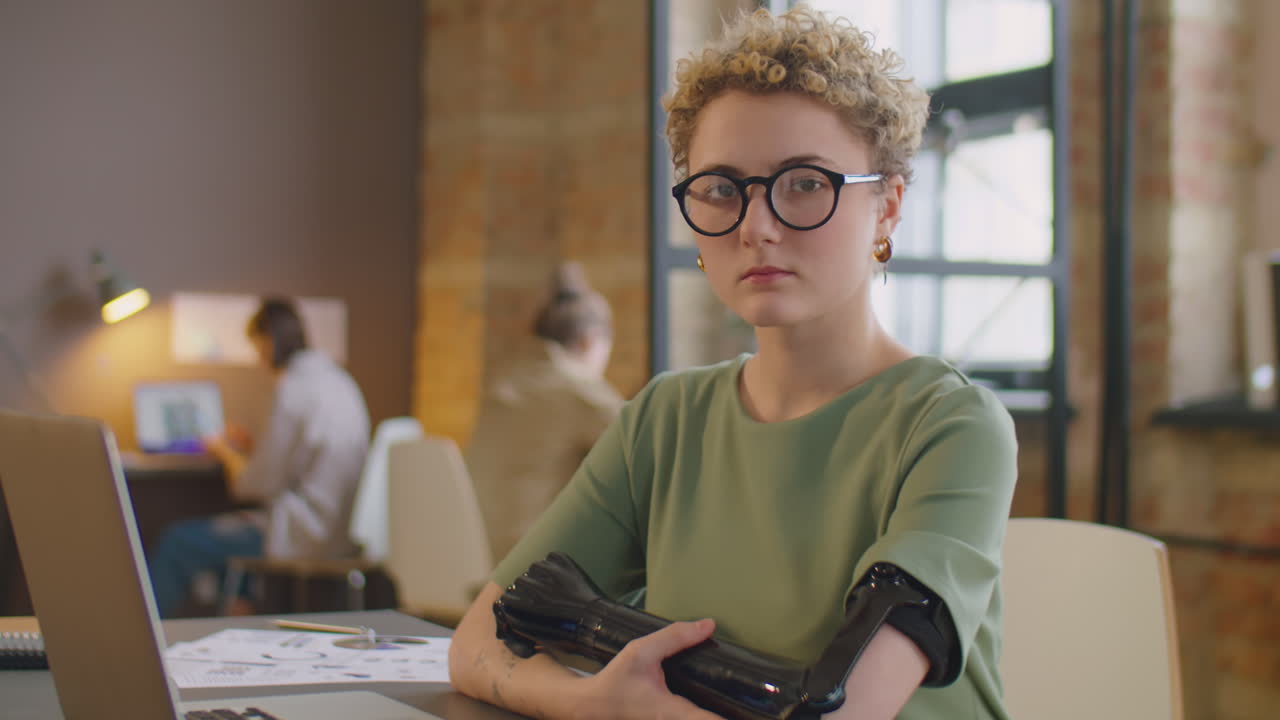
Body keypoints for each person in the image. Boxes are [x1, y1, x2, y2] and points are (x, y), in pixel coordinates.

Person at [448, 7, 1017, 720]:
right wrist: (597, 703)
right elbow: (475, 644)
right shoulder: (665, 417)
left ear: (889, 207)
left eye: (805, 182)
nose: (756, 226)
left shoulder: (950, 423)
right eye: (721, 189)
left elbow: (836, 710)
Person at [147, 298, 370, 618]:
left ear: (268, 341)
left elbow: (255, 485)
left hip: (304, 532)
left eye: (257, 348)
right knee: (231, 545)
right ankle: (238, 617)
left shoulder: (293, 388)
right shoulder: (339, 382)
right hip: (340, 530)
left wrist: (225, 451)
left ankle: (146, 640)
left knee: (178, 542)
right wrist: (252, 450)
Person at [466, 262, 624, 562]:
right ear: (591, 340)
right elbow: (650, 452)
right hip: (529, 572)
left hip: (469, 562)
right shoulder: (579, 390)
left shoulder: (506, 382)